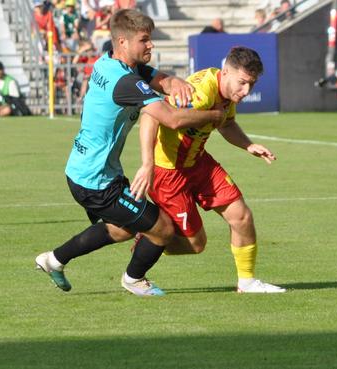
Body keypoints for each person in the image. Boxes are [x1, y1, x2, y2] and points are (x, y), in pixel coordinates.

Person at [34, 9, 228, 296]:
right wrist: (214, 115)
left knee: (122, 228)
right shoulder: (125, 83)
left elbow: (154, 77)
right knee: (162, 228)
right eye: (144, 40)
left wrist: (174, 81)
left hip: (86, 171)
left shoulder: (109, 63)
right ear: (123, 42)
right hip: (95, 181)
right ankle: (134, 279)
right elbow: (172, 119)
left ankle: (54, 260)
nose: (151, 45)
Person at [133, 47, 286, 293]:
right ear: (226, 72)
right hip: (168, 171)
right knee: (196, 245)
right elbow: (151, 114)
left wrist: (248, 145)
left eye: (251, 85)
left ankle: (246, 282)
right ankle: (152, 234)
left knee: (242, 216)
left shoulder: (226, 94)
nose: (246, 91)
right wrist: (147, 163)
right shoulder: (200, 93)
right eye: (243, 83)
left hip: (199, 163)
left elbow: (227, 123)